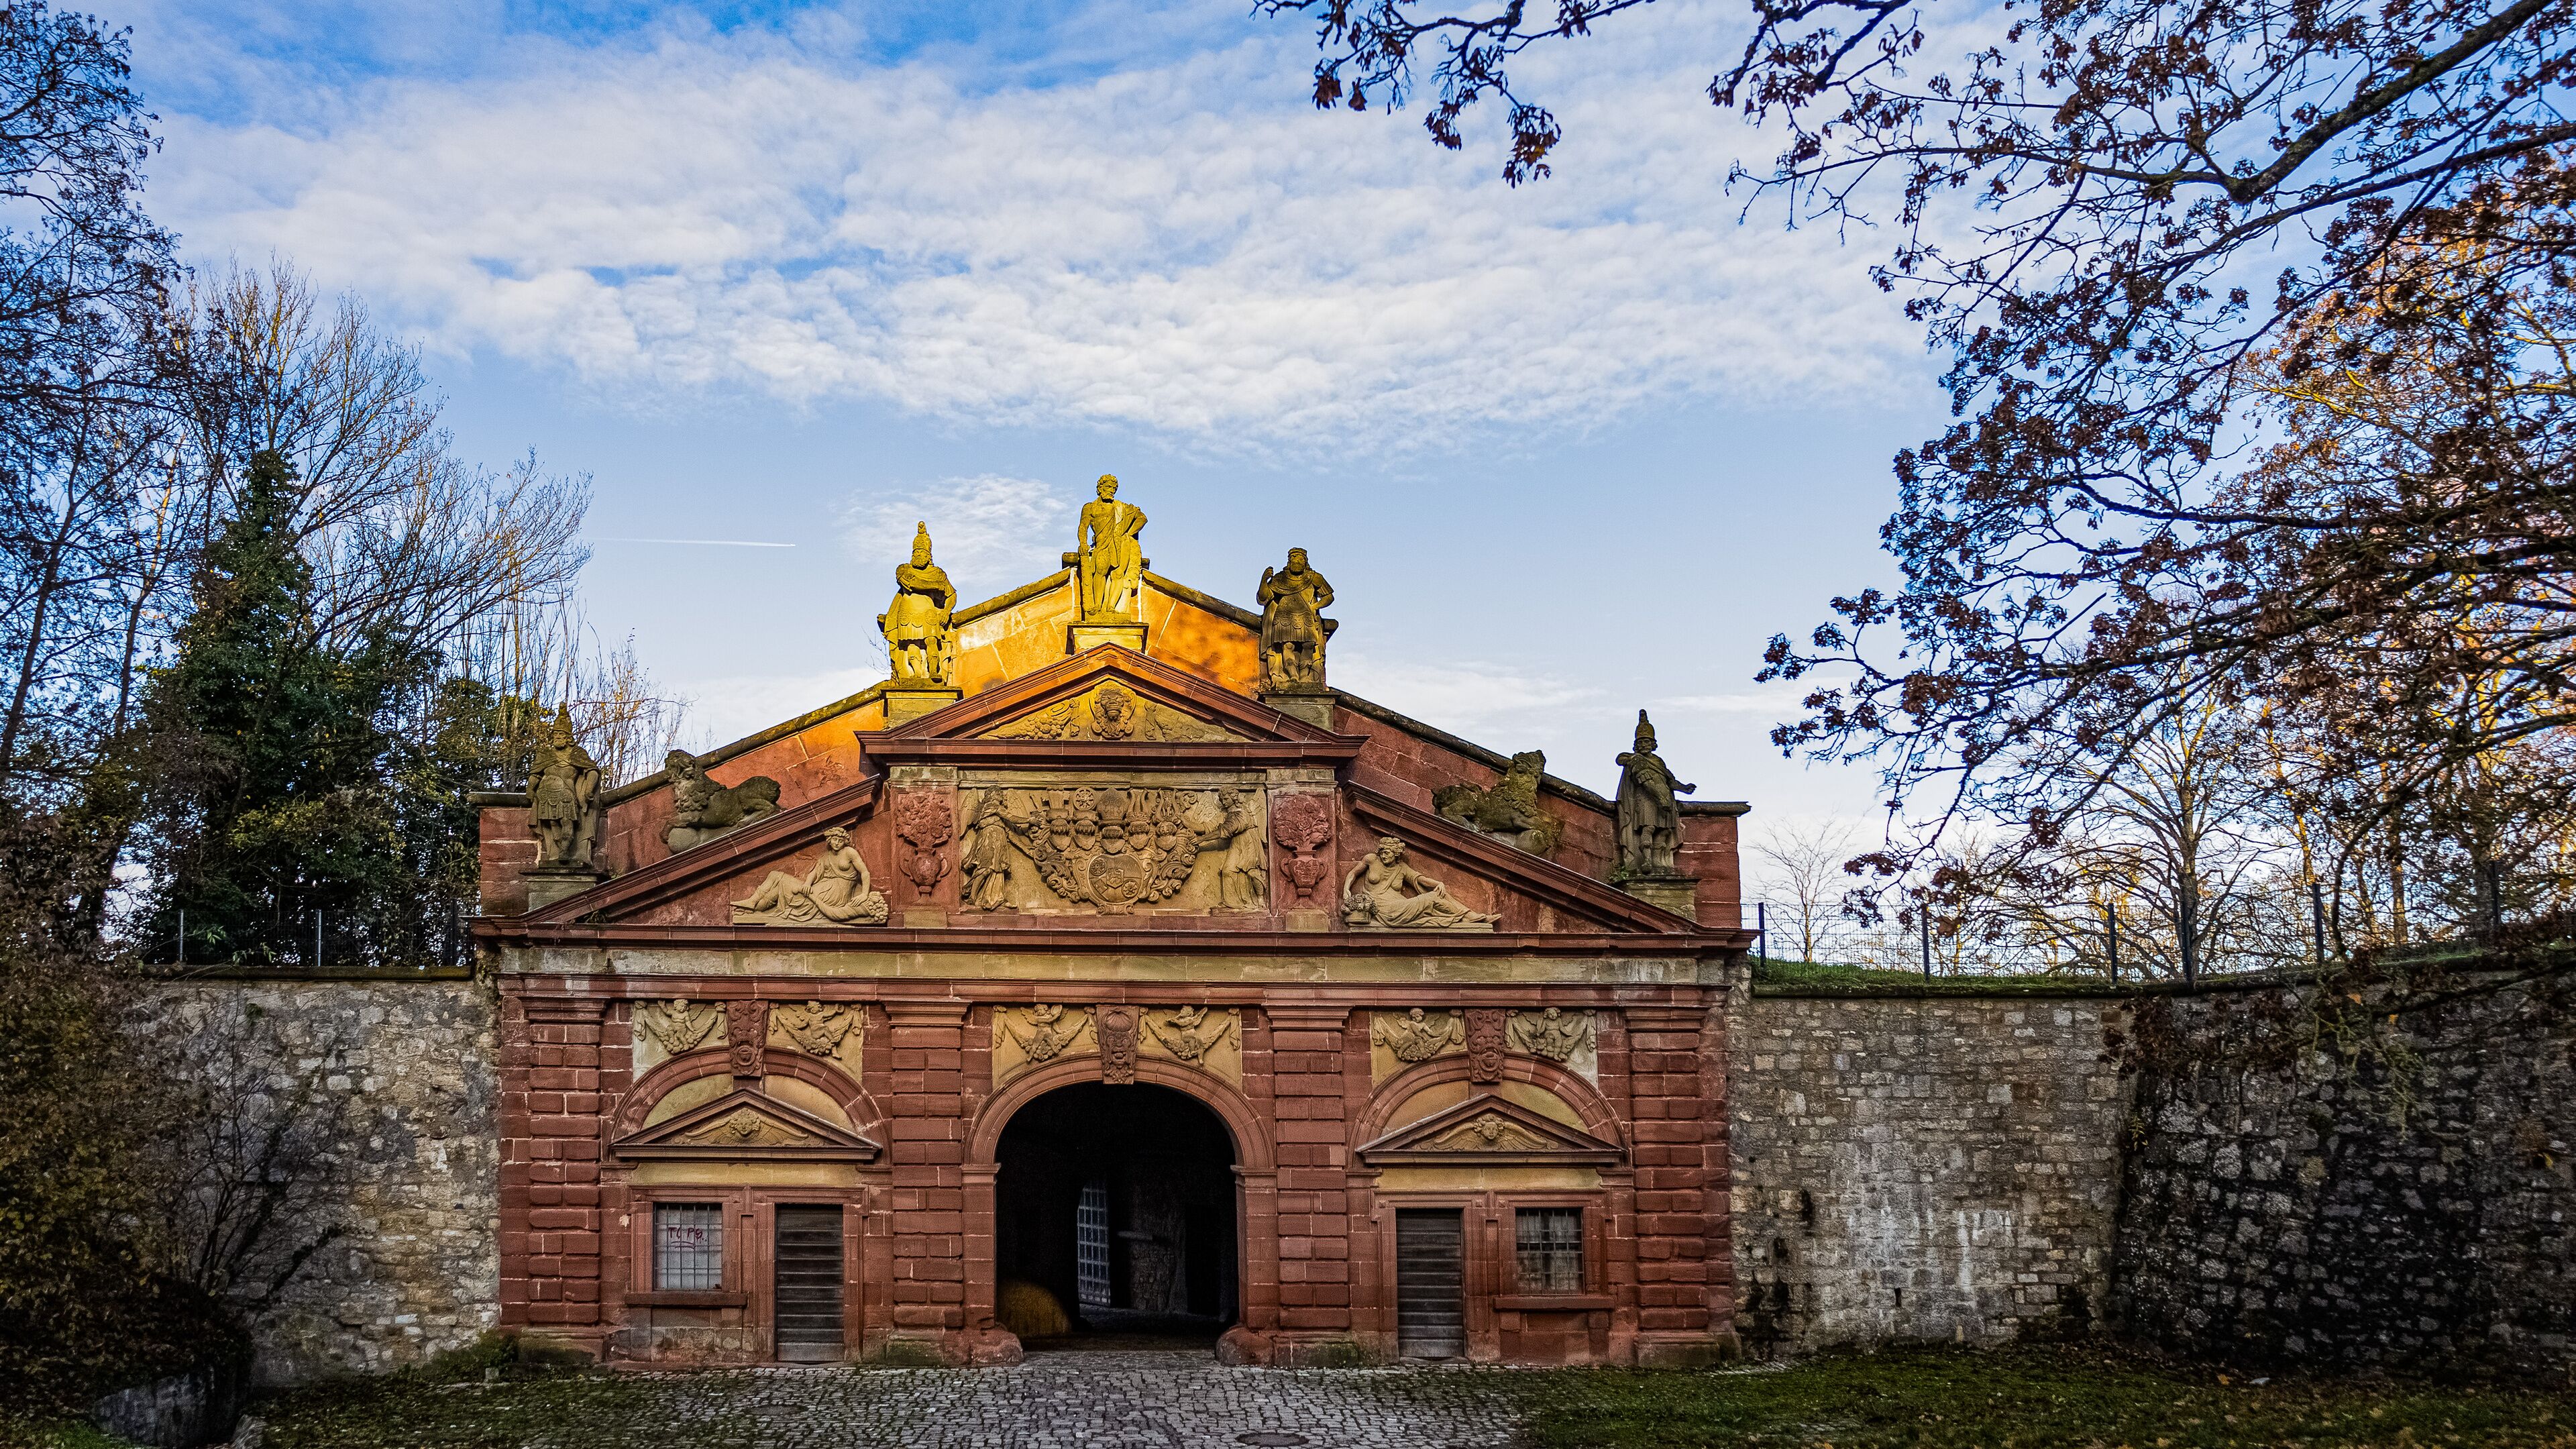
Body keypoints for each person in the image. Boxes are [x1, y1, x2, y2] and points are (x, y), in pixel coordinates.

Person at [731, 827, 888, 925]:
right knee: (777, 878)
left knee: (779, 878)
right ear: (829, 840)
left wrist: (864, 894)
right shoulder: (826, 856)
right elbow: (815, 872)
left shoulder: (850, 853)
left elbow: (865, 873)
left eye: (840, 840)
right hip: (822, 887)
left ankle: (754, 908)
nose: (837, 843)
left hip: (837, 894)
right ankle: (754, 906)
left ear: (844, 841)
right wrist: (807, 883)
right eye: (834, 839)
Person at [1340, 837, 1499, 929]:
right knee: (1431, 899)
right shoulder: (1371, 860)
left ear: (1396, 854)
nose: (1384, 856)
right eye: (1382, 852)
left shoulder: (1401, 868)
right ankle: (1467, 917)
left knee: (1436, 895)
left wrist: (1439, 882)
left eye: (1388, 853)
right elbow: (1353, 873)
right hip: (1384, 909)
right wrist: (1346, 890)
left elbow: (1419, 878)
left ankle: (1467, 916)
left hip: (1400, 905)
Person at [1613, 710, 1696, 877]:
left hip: (1665, 800)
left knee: (1665, 831)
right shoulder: (1636, 760)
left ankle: (1659, 860)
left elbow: (1669, 780)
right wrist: (1660, 799)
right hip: (1648, 800)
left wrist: (1684, 788)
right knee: (1649, 828)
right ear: (1636, 745)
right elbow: (1646, 781)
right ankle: (1647, 860)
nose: (1644, 745)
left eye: (1648, 742)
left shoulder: (1658, 761)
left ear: (1653, 744)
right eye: (1641, 742)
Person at [879, 522, 957, 685]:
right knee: (911, 643)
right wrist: (935, 586)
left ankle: (934, 672)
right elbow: (912, 583)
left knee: (931, 641)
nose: (918, 556)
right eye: (916, 553)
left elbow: (952, 595)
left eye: (922, 553)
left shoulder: (938, 573)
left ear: (929, 556)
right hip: (907, 612)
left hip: (928, 612)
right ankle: (915, 675)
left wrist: (946, 611)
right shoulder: (903, 570)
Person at [1257, 547, 1336, 690]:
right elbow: (1263, 598)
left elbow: (1329, 596)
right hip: (1283, 616)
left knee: (1308, 645)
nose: (1297, 561)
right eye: (1294, 558)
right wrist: (1264, 580)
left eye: (1300, 558)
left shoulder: (1314, 578)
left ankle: (1305, 675)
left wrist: (1315, 607)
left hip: (1306, 616)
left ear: (1305, 561)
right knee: (1288, 646)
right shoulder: (1280, 579)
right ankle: (1293, 675)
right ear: (1289, 561)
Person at [1074, 474, 1147, 621]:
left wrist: (1127, 533)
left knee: (1118, 575)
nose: (1111, 491)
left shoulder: (1121, 507)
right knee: (1100, 572)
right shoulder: (1090, 508)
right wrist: (1083, 544)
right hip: (1102, 545)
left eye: (1114, 488)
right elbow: (1083, 528)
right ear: (1100, 488)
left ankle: (1111, 607)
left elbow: (1142, 518)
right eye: (1108, 487)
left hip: (1119, 544)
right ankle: (1098, 606)